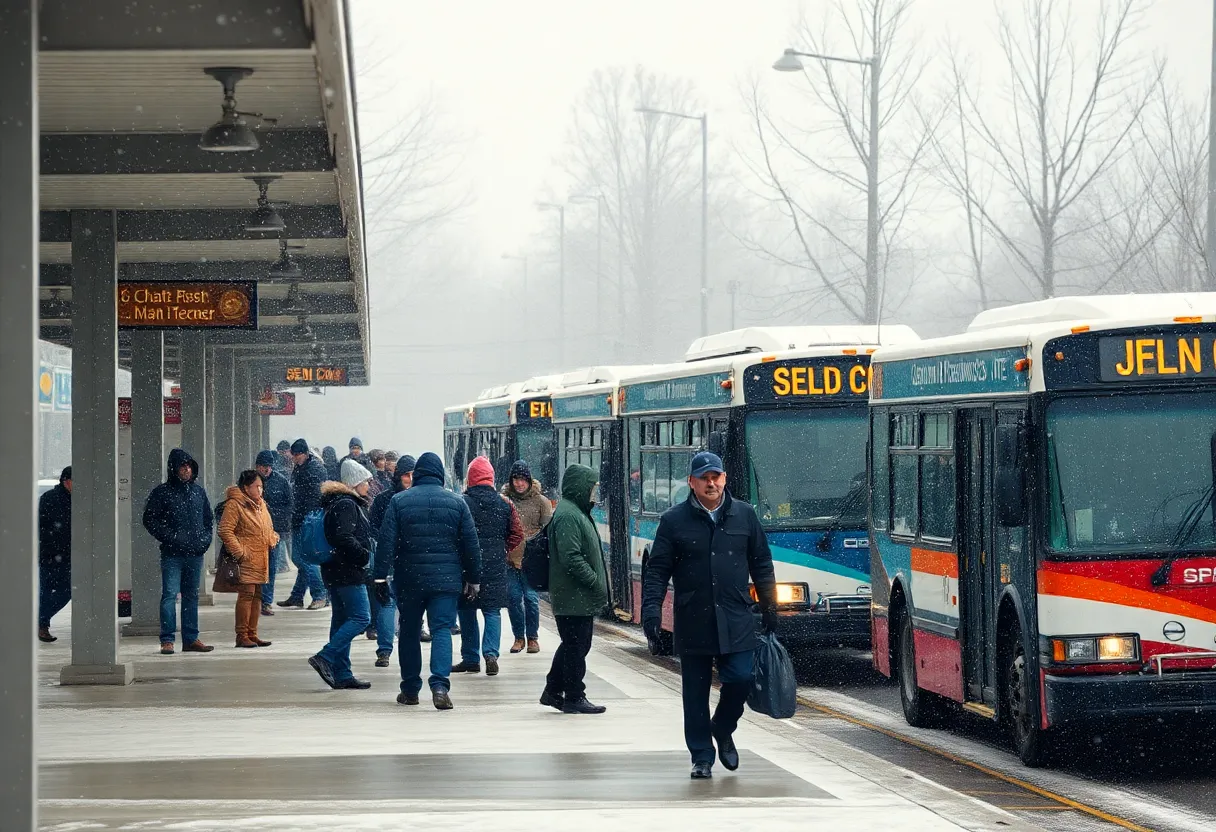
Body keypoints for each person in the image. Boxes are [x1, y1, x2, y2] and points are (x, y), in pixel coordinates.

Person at [641, 451, 778, 780]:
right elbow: (658, 571)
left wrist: (771, 606)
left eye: (716, 476)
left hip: (737, 616)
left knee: (741, 679)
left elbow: (761, 563)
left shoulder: (744, 515)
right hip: (694, 618)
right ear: (692, 483)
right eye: (704, 478)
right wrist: (651, 612)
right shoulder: (674, 521)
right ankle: (701, 756)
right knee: (695, 693)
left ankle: (723, 727)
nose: (711, 482)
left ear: (725, 479)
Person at [375, 451, 480, 710]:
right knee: (442, 629)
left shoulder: (399, 501)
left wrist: (378, 578)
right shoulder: (457, 503)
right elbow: (471, 545)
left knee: (409, 631)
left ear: (418, 473)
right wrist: (473, 578)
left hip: (409, 579)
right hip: (446, 581)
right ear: (440, 474)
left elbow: (386, 543)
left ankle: (410, 689)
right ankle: (440, 686)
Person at [542, 463, 608, 715]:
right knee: (576, 646)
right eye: (592, 487)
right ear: (580, 487)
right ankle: (573, 695)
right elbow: (571, 557)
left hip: (576, 596)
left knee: (575, 644)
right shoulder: (569, 515)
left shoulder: (576, 511)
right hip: (573, 595)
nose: (594, 493)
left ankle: (553, 690)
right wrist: (594, 580)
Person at [308, 460, 376, 691]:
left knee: (340, 620)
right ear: (355, 483)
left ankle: (342, 673)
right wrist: (363, 555)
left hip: (334, 569)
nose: (369, 484)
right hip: (348, 571)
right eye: (366, 481)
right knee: (361, 618)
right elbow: (343, 537)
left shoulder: (335, 503)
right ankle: (325, 656)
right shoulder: (347, 504)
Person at [453, 457, 524, 677]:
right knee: (492, 611)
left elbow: (454, 534)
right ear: (491, 478)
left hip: (467, 564)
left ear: (470, 478)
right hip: (495, 565)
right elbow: (518, 533)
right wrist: (502, 549)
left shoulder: (461, 502)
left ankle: (471, 658)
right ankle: (491, 654)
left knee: (466, 610)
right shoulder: (504, 503)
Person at [142, 448, 215, 655]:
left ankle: (191, 639)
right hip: (172, 554)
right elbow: (149, 519)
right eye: (183, 466)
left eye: (189, 466)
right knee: (169, 595)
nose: (187, 470)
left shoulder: (198, 492)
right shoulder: (162, 493)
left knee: (191, 596)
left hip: (195, 553)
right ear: (174, 468)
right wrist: (171, 537)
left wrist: (204, 540)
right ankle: (167, 639)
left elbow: (208, 520)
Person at [217, 470, 279, 648]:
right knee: (246, 595)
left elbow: (267, 527)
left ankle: (253, 633)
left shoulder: (261, 505)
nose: (260, 490)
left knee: (257, 595)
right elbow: (225, 530)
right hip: (246, 558)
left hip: (261, 557)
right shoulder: (235, 505)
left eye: (261, 486)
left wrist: (272, 538)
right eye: (256, 486)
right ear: (246, 487)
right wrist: (240, 552)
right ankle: (242, 635)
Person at [366, 454, 415, 667]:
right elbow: (374, 527)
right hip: (397, 557)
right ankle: (388, 649)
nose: (410, 478)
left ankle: (388, 650)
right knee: (392, 602)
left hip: (397, 556)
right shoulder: (413, 499)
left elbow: (374, 526)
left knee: (393, 602)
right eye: (406, 474)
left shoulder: (384, 498)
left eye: (413, 474)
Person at [502, 460, 551, 654]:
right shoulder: (505, 500)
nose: (519, 484)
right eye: (516, 479)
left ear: (529, 481)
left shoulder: (541, 502)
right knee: (514, 599)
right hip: (510, 559)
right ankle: (518, 637)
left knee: (531, 599)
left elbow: (547, 531)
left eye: (523, 480)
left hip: (532, 560)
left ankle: (532, 637)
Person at [280, 439, 330, 610]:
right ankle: (297, 596)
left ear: (305, 454)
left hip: (308, 519)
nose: (294, 458)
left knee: (305, 558)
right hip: (301, 518)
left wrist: (306, 515)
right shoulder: (302, 469)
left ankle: (320, 594)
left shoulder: (314, 470)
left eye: (297, 455)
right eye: (293, 455)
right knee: (302, 559)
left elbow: (312, 498)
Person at [255, 450, 293, 615]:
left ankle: (266, 601)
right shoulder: (249, 481)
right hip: (254, 531)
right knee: (255, 568)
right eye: (263, 466)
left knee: (270, 567)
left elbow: (289, 505)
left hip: (274, 531)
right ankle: (256, 599)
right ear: (257, 466)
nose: (266, 469)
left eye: (269, 466)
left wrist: (277, 519)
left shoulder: (281, 481)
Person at [38, 466, 73, 642]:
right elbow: (41, 527)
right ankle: (42, 625)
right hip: (50, 555)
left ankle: (39, 620)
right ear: (66, 481)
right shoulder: (50, 499)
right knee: (47, 591)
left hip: (67, 556)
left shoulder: (77, 500)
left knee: (66, 591)